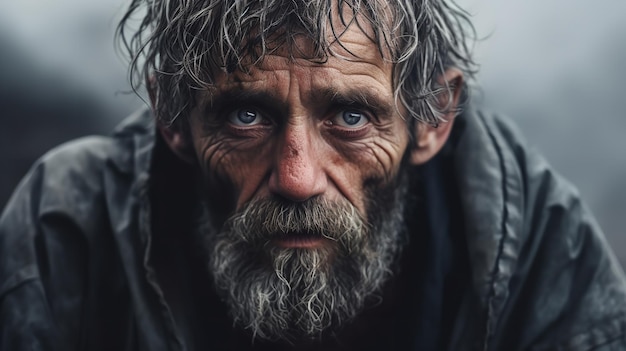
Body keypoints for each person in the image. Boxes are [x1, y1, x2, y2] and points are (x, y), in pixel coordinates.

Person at [1, 0, 625, 350]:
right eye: (247, 116)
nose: (297, 178)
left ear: (433, 120)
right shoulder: (67, 229)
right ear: (173, 116)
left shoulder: (543, 248)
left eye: (351, 116)